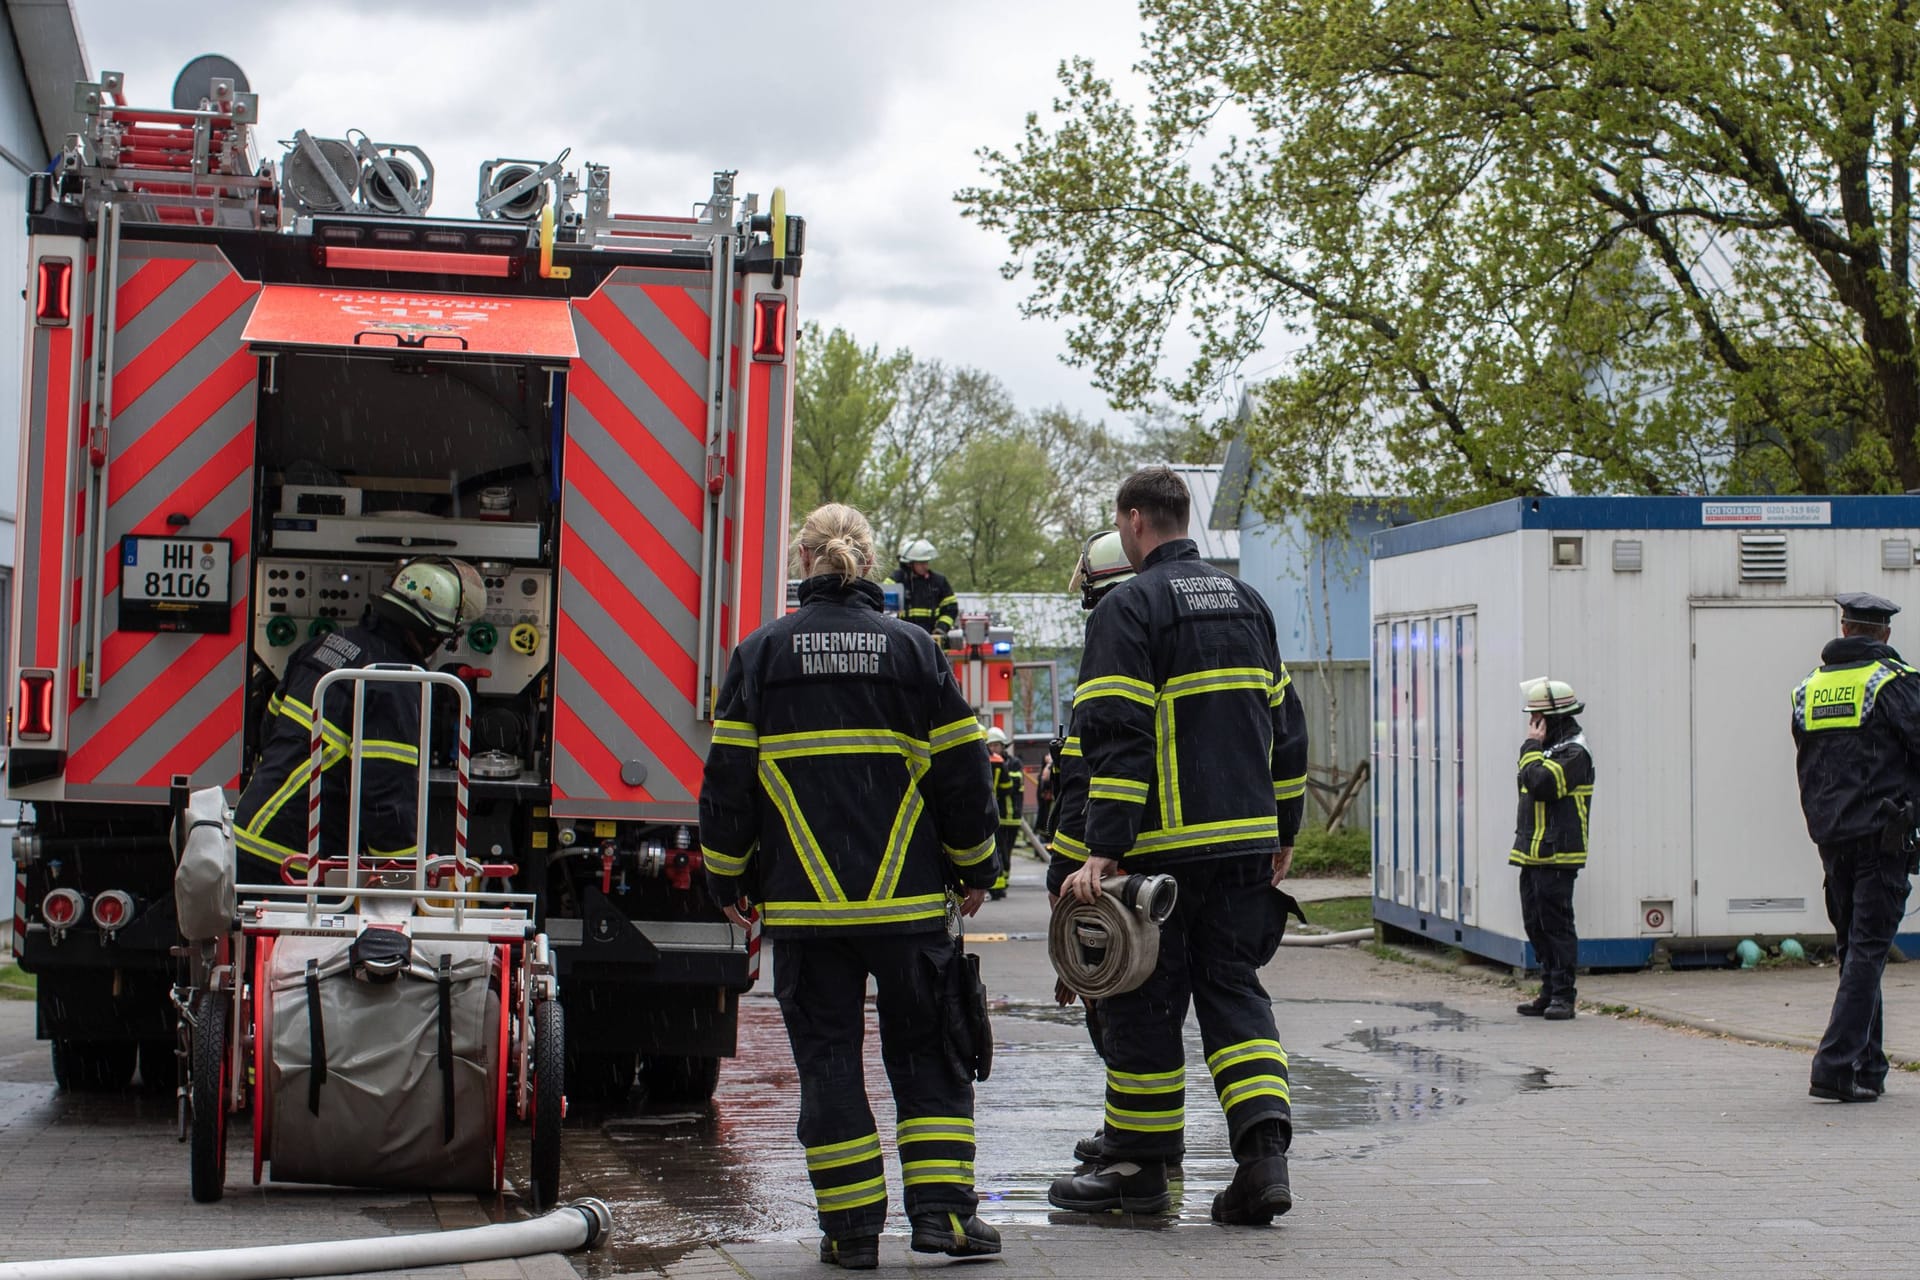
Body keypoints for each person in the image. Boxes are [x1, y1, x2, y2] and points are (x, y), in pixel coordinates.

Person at [699, 503, 1003, 1268]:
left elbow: (728, 781)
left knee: (829, 1061)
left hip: (804, 909)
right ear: (868, 562)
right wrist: (977, 868)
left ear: (804, 559)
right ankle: (943, 1221)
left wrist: (725, 875)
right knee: (929, 1055)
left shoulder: (762, 653)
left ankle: (851, 1232)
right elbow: (963, 774)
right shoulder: (912, 650)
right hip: (908, 906)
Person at [1046, 467, 1308, 1227]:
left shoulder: (1129, 607)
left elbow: (1116, 739)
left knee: (1144, 1006)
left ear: (1132, 522)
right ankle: (1263, 1164)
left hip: (1156, 857)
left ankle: (1137, 1171)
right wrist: (1282, 832)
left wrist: (1104, 849)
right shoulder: (1248, 602)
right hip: (1242, 852)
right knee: (1234, 994)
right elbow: (1285, 732)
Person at [234, 556, 486, 884]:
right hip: (295, 859)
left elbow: (268, 728)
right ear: (431, 635)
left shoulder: (323, 646)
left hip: (247, 834)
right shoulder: (394, 682)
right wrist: (402, 874)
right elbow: (385, 792)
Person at [1791, 592, 1920, 1103]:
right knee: (1868, 948)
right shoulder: (1893, 682)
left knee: (1855, 948)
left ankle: (1868, 1064)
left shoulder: (1809, 688)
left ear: (1843, 629)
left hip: (1830, 835)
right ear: (1883, 634)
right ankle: (1835, 1065)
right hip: (1883, 835)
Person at [1509, 678, 1595, 1022]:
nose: (1533, 725)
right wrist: (1533, 752)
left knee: (1556, 925)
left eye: (1538, 718)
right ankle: (1548, 989)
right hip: (1533, 852)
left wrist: (1529, 747)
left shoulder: (1575, 752)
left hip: (1559, 853)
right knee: (1535, 923)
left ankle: (1563, 995)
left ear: (1555, 718)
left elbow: (1542, 784)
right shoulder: (1549, 750)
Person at [885, 538, 958, 637]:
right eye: (921, 563)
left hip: (931, 638)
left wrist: (941, 628)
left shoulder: (938, 581)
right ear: (909, 564)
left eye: (926, 562)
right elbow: (884, 609)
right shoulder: (895, 581)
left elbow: (951, 609)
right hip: (903, 637)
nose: (926, 567)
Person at [987, 726, 1021, 899]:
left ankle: (1003, 881)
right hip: (998, 814)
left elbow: (1013, 786)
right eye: (991, 745)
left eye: (996, 745)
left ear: (1003, 746)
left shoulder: (1013, 763)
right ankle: (1001, 884)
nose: (994, 749)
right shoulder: (994, 762)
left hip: (1011, 815)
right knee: (1000, 849)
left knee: (1005, 851)